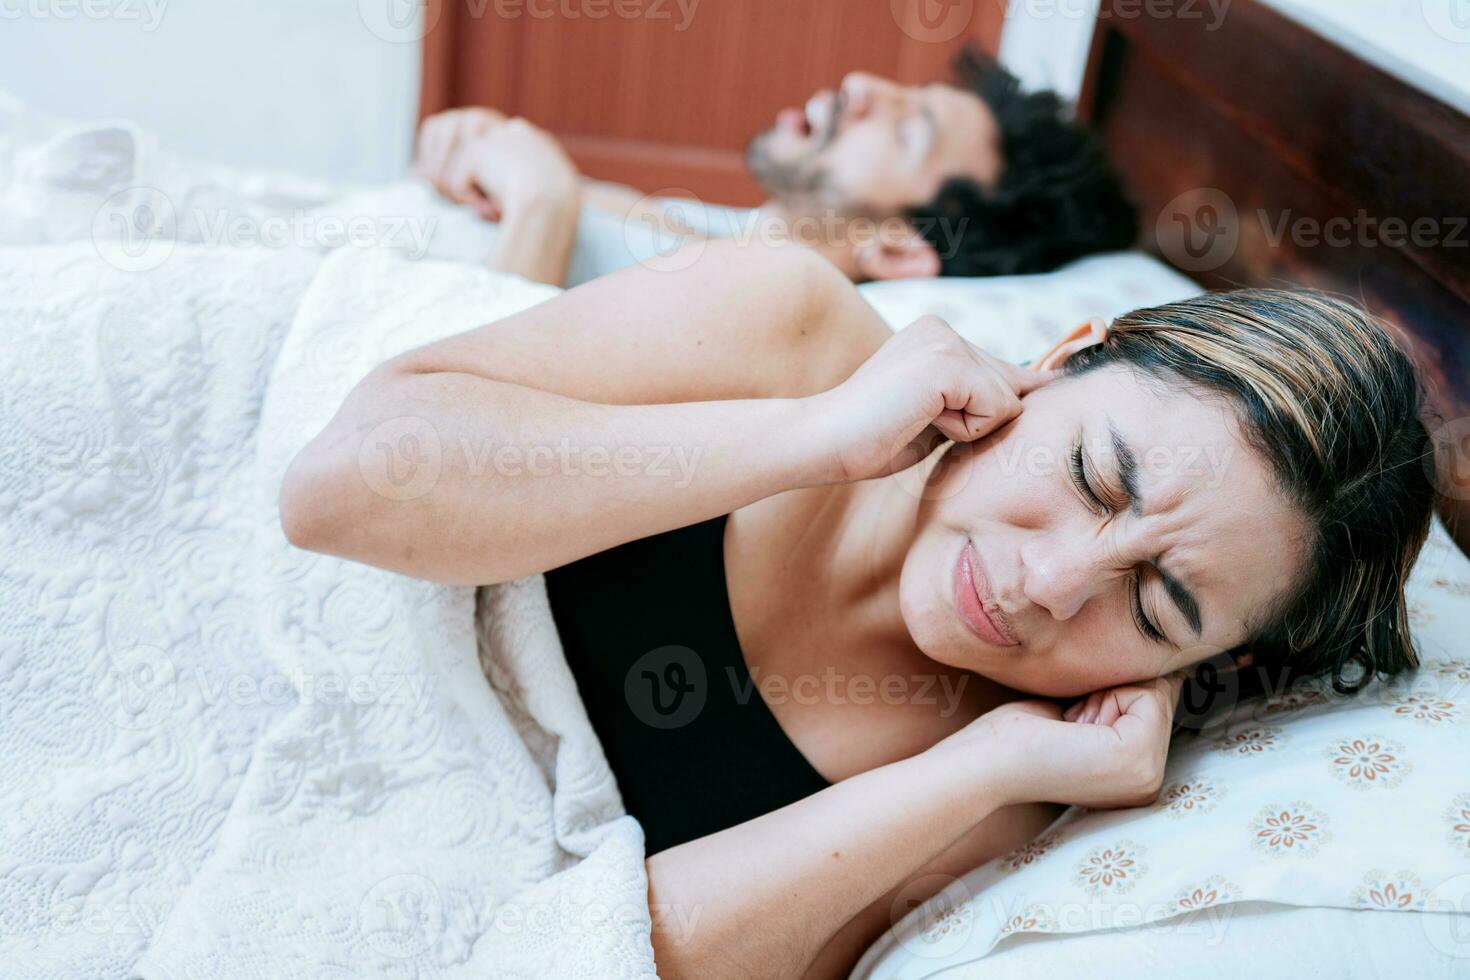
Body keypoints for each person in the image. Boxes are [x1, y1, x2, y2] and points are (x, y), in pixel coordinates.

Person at [278, 240, 1434, 979]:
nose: (1049, 581)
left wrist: (976, 769)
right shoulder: (789, 327)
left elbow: (625, 962)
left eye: (1161, 605)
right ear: (1062, 358)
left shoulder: (1008, 792)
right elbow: (340, 490)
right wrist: (811, 436)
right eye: (1091, 475)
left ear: (1199, 668)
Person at [413, 51, 1137, 286]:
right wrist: (473, 145)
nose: (859, 85)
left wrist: (540, 199)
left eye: (907, 129)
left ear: (900, 246)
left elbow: (471, 418)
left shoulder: (745, 326)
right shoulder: (710, 239)